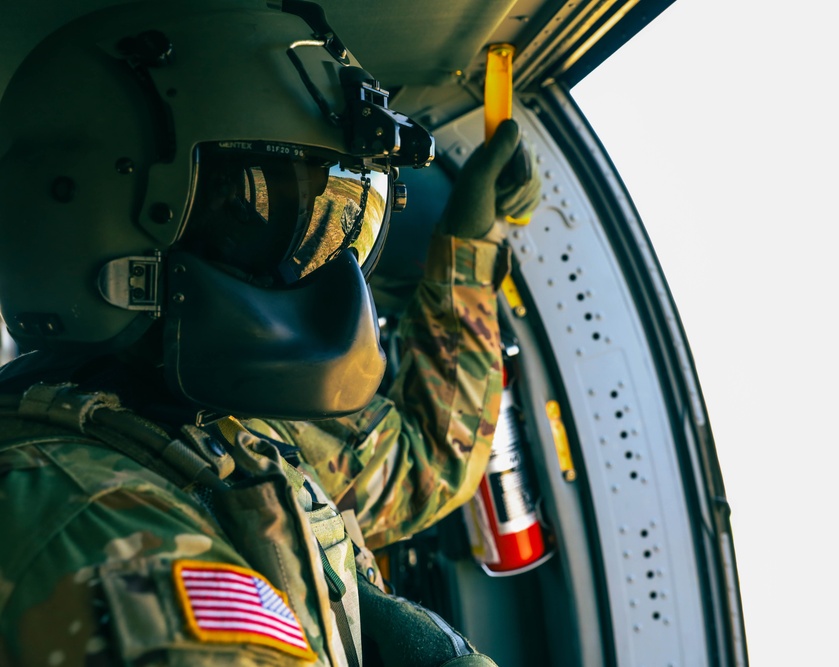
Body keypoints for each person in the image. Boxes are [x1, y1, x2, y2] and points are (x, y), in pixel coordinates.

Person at [0, 1, 540, 665]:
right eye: (263, 212)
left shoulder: (224, 422)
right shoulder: (88, 524)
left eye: (349, 226)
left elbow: (420, 465)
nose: (332, 282)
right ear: (92, 210)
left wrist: (468, 247)